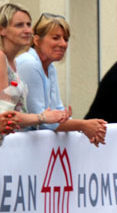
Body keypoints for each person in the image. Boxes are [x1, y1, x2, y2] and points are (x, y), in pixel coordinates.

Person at [0, 3, 67, 213]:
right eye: (20, 25)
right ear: (2, 30)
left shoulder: (13, 62)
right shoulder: (8, 61)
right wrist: (44, 119)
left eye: (29, 24)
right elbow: (9, 116)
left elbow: (18, 114)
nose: (26, 30)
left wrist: (43, 118)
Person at [16, 13, 107, 146]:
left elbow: (57, 111)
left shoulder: (50, 67)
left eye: (66, 39)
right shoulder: (29, 63)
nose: (63, 44)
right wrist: (83, 125)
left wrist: (86, 127)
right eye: (56, 38)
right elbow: (42, 120)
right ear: (36, 40)